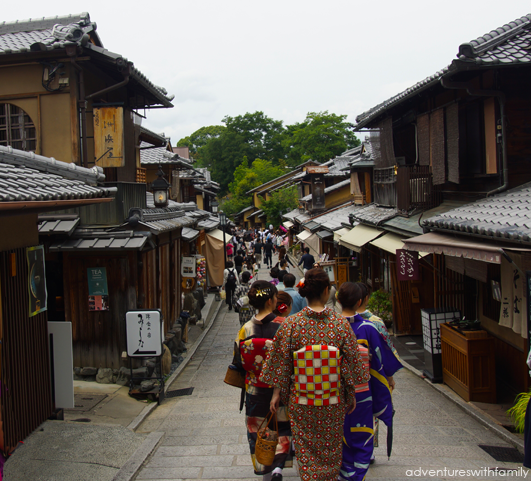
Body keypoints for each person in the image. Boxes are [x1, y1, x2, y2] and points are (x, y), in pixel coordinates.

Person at [261, 269, 368, 481]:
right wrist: (351, 392)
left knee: (307, 448)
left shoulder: (291, 324)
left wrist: (276, 393)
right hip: (333, 399)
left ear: (306, 293)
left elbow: (281, 363)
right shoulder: (340, 325)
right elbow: (353, 366)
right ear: (327, 291)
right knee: (331, 447)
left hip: (302, 400)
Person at [337, 282, 402, 481]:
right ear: (360, 302)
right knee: (362, 436)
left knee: (340, 435)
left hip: (334, 391)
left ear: (338, 300)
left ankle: (343, 473)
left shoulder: (331, 327)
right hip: (361, 391)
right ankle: (356, 476)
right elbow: (380, 362)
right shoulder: (368, 328)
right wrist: (388, 378)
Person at [234, 281, 292, 481]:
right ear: (270, 301)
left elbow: (238, 363)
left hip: (254, 390)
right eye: (276, 297)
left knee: (257, 430)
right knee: (282, 428)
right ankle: (278, 467)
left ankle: (264, 470)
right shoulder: (284, 326)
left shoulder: (246, 329)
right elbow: (291, 360)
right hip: (281, 390)